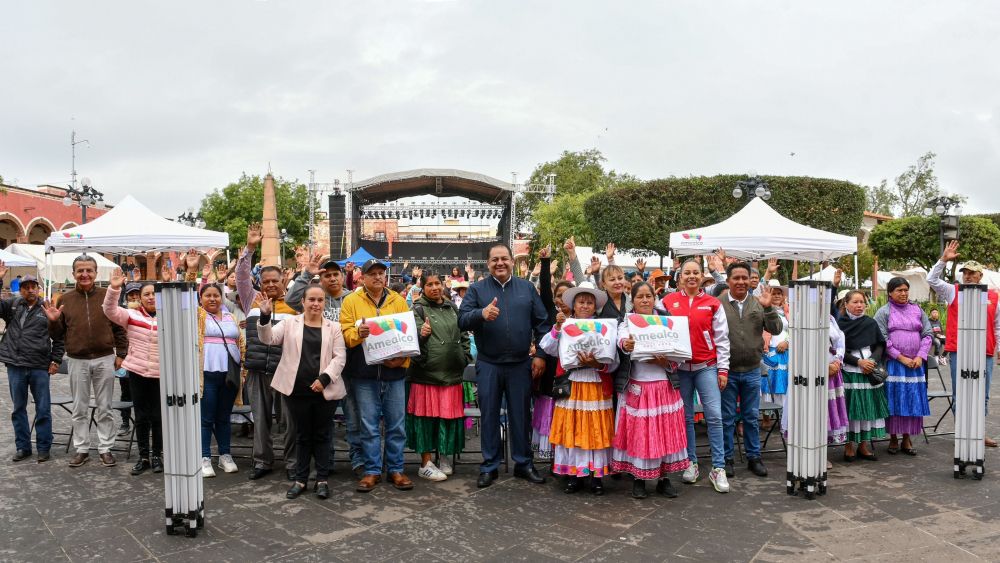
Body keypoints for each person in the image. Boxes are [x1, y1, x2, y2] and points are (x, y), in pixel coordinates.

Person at [459, 244, 550, 489]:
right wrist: (481, 314)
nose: (500, 263)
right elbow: (462, 319)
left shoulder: (527, 288)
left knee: (521, 416)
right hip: (489, 364)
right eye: (495, 260)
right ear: (488, 264)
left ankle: (523, 464)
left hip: (521, 364)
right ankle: (489, 466)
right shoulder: (477, 289)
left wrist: (541, 354)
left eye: (504, 259)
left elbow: (543, 324)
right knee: (489, 415)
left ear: (512, 262)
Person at [257, 286, 346, 499]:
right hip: (296, 390)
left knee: (323, 435)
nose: (316, 304)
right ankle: (301, 479)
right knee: (302, 435)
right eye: (312, 299)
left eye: (320, 300)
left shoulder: (334, 327)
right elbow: (268, 339)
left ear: (324, 303)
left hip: (324, 389)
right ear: (303, 302)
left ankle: (322, 480)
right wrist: (265, 315)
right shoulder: (289, 322)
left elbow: (340, 357)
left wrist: (323, 379)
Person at [44, 255, 128, 468]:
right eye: (80, 270)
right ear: (73, 274)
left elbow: (119, 327)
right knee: (79, 407)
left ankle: (105, 447)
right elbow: (58, 334)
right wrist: (53, 322)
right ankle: (82, 448)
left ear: (95, 273)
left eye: (89, 270)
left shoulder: (106, 296)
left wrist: (121, 353)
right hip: (77, 359)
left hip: (105, 357)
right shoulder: (65, 299)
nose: (84, 274)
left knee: (105, 406)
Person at [340, 259, 415, 492]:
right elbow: (344, 333)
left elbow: (408, 336)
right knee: (369, 425)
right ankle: (372, 470)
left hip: (394, 374)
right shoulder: (350, 301)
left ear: (386, 276)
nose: (378, 277)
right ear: (362, 277)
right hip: (364, 374)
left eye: (381, 273)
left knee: (396, 425)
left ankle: (395, 469)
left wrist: (403, 360)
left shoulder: (399, 301)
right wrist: (358, 333)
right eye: (372, 274)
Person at [657, 258, 731, 493]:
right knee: (686, 417)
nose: (691, 276)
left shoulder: (712, 303)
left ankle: (718, 467)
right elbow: (658, 331)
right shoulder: (667, 302)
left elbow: (721, 339)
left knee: (714, 416)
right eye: (687, 272)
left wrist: (723, 369)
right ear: (680, 277)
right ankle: (691, 462)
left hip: (706, 367)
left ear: (701, 277)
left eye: (695, 273)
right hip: (680, 370)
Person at [539, 282, 618, 494]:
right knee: (572, 429)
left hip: (595, 383)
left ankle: (596, 476)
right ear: (573, 305)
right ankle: (574, 475)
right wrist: (556, 328)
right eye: (581, 302)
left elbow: (614, 360)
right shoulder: (565, 325)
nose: (585, 306)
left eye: (589, 302)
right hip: (572, 384)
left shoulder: (605, 328)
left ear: (595, 306)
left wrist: (597, 364)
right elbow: (547, 347)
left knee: (595, 430)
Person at [286, 253, 361, 475]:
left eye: (335, 274)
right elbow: (291, 300)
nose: (332, 279)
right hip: (320, 372)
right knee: (323, 422)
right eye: (326, 275)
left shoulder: (352, 299)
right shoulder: (316, 299)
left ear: (342, 276)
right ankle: (324, 464)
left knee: (353, 418)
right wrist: (306, 274)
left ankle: (358, 462)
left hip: (348, 368)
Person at [237, 223, 301, 481]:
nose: (271, 284)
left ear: (284, 281)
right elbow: (241, 275)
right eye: (266, 281)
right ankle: (262, 461)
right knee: (260, 420)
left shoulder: (295, 304)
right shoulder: (250, 299)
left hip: (285, 372)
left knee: (289, 422)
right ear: (260, 283)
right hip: (256, 371)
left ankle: (293, 463)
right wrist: (250, 247)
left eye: (275, 280)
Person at [614, 282, 689, 499]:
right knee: (642, 434)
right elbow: (621, 341)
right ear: (633, 301)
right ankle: (639, 479)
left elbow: (681, 352)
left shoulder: (667, 320)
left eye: (649, 296)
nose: (645, 300)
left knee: (664, 433)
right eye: (640, 297)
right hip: (638, 386)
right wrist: (626, 345)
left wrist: (667, 361)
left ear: (654, 298)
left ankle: (663, 479)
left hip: (664, 385)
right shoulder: (627, 322)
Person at [927, 240, 1000, 447]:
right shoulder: (953, 291)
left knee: (982, 394)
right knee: (960, 393)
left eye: (972, 273)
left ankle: (978, 431)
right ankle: (962, 431)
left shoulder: (994, 296)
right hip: (958, 350)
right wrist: (943, 259)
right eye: (965, 272)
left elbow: (998, 326)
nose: (968, 276)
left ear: (980, 276)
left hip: (984, 351)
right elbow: (931, 279)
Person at [717, 262, 783, 480]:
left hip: (753, 370)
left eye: (745, 278)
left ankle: (754, 457)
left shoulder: (758, 302)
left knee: (751, 417)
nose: (741, 282)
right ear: (728, 281)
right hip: (727, 370)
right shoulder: (717, 305)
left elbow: (776, 330)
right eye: (736, 278)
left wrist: (768, 308)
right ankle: (727, 459)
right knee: (727, 418)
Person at [407, 272, 473, 482]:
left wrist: (464, 356)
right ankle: (425, 463)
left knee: (448, 418)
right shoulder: (416, 309)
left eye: (437, 283)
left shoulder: (453, 308)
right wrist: (421, 335)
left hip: (452, 374)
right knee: (425, 420)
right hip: (426, 375)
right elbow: (410, 341)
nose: (435, 287)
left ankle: (444, 457)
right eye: (429, 284)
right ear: (422, 287)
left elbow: (464, 335)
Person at [102, 269, 163, 475]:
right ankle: (143, 456)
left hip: (160, 374)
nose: (150, 297)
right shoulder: (133, 315)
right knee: (142, 416)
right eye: (146, 294)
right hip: (137, 372)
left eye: (154, 293)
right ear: (141, 298)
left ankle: (157, 455)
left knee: (158, 417)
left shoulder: (169, 317)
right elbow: (109, 310)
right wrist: (114, 288)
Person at [0, 269, 63, 463]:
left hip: (39, 366)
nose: (30, 291)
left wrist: (56, 360)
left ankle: (44, 447)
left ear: (39, 289)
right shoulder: (12, 305)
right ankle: (23, 447)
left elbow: (59, 337)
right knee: (18, 408)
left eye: (33, 287)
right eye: (25, 288)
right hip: (15, 365)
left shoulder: (47, 308)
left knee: (43, 408)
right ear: (20, 291)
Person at [874, 277, 932, 456]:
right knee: (895, 400)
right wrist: (901, 358)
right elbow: (882, 339)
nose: (903, 293)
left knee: (911, 400)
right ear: (890, 292)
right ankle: (893, 438)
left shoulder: (917, 309)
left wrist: (921, 356)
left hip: (916, 365)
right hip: (895, 364)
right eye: (899, 290)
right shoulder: (884, 312)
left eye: (906, 290)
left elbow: (928, 334)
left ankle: (907, 438)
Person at [197, 283, 245, 477]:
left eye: (216, 295)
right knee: (206, 418)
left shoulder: (230, 316)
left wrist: (245, 367)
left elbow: (240, 342)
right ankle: (204, 457)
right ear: (200, 299)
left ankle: (225, 455)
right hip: (207, 374)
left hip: (229, 375)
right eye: (207, 295)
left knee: (223, 418)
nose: (212, 299)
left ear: (221, 297)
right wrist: (194, 273)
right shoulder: (198, 316)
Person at [837, 290, 889, 461]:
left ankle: (864, 446)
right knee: (851, 408)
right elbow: (837, 351)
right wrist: (858, 362)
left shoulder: (870, 323)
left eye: (862, 302)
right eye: (855, 302)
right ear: (846, 304)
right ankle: (849, 446)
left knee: (866, 407)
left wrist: (872, 360)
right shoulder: (839, 324)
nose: (859, 306)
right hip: (850, 369)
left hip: (869, 368)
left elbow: (880, 345)